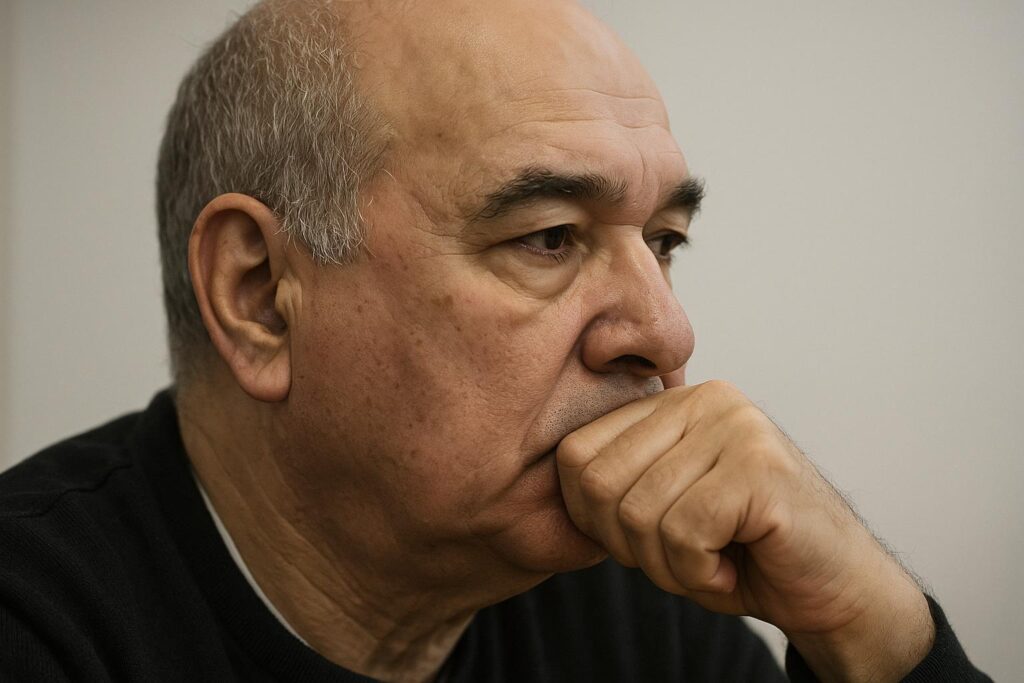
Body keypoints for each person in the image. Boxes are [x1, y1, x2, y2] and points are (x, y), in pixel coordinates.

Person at [0, 0, 991, 681]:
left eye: (664, 243)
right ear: (260, 295)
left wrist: (872, 632)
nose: (665, 331)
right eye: (549, 237)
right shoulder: (37, 630)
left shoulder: (646, 616)